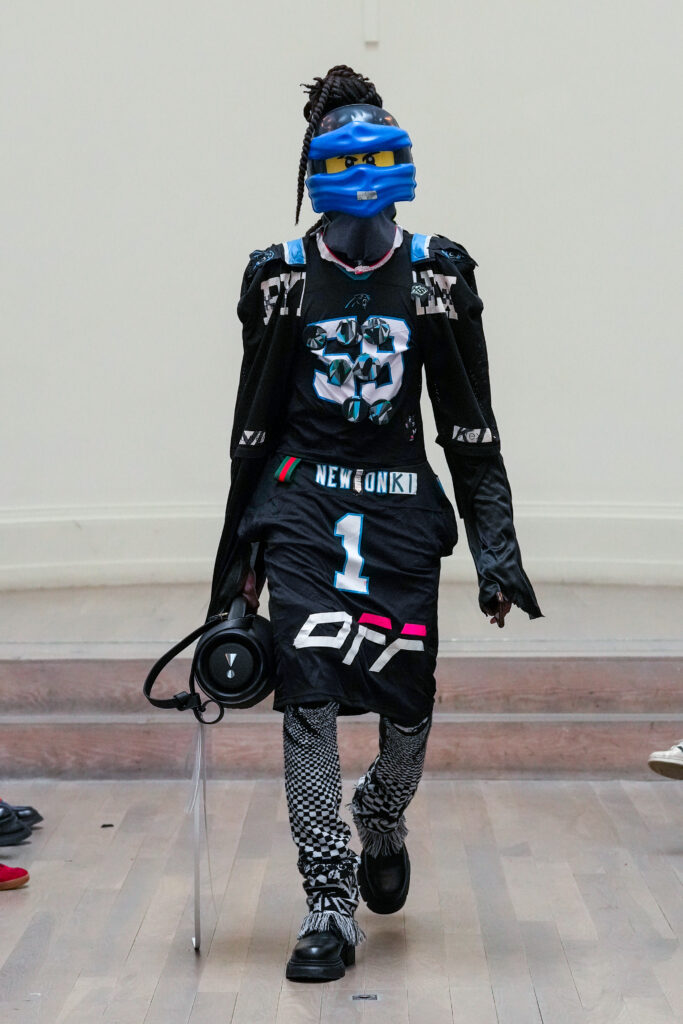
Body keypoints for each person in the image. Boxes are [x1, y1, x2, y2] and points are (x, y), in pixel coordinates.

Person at [208, 65, 542, 982]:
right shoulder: (279, 278)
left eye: (375, 155)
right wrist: (237, 574)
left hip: (397, 500)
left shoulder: (436, 274)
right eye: (342, 157)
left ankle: (383, 812)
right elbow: (251, 428)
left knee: (406, 697)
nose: (360, 172)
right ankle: (326, 900)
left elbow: (468, 424)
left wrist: (496, 552)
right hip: (304, 499)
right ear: (316, 166)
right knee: (307, 691)